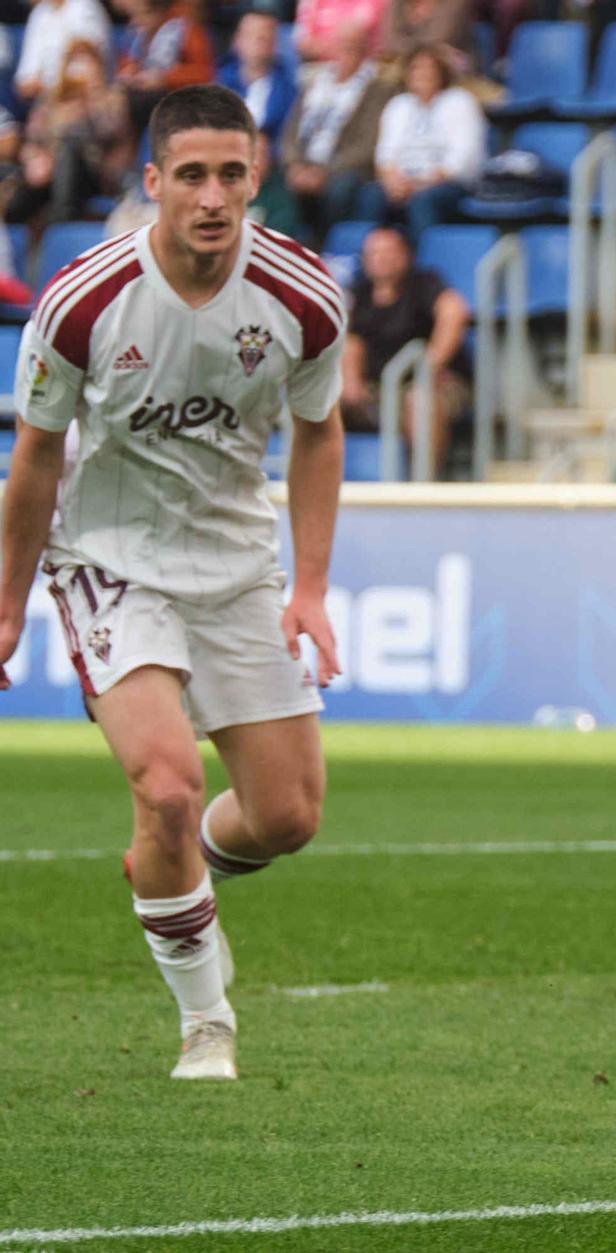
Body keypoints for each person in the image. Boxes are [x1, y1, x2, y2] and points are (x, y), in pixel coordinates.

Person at [0, 85, 348, 1083]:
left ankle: (169, 859)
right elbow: (33, 457)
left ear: (256, 178)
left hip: (238, 566)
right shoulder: (83, 300)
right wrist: (6, 603)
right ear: (151, 182)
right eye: (189, 175)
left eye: (230, 174)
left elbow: (319, 434)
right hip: (109, 558)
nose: (211, 196)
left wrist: (311, 586)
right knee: (166, 782)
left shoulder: (304, 296)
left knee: (285, 817)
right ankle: (208, 1023)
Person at [339, 225, 470, 476]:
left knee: (419, 400)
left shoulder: (424, 282)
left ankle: (422, 487)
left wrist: (431, 365)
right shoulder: (359, 292)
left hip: (433, 383)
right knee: (322, 399)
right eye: (374, 253)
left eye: (389, 251)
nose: (381, 258)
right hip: (375, 388)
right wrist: (351, 382)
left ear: (406, 254)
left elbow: (454, 312)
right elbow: (350, 341)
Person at [281, 21, 394, 242]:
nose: (348, 52)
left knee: (342, 189)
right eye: (343, 45)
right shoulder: (314, 83)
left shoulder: (378, 90)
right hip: (305, 166)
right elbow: (290, 132)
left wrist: (324, 173)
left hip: (344, 170)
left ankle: (326, 250)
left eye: (356, 46)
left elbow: (368, 145)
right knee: (275, 185)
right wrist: (295, 165)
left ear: (366, 50)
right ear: (332, 48)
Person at [358, 44, 484, 241]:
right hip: (403, 183)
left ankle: (425, 264)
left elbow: (462, 161)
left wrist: (419, 184)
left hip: (446, 185)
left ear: (441, 72)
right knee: (371, 195)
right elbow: (385, 156)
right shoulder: (399, 105)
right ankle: (366, 261)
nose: (422, 74)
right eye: (416, 68)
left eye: (428, 68)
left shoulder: (460, 102)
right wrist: (392, 181)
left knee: (422, 202)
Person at [11, 37, 132, 225]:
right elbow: (32, 139)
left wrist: (91, 100)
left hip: (95, 174)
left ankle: (63, 217)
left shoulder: (111, 98)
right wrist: (35, 159)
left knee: (70, 144)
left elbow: (110, 134)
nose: (80, 68)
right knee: (23, 187)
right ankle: (11, 223)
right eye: (74, 61)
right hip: (50, 174)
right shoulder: (50, 101)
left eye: (86, 60)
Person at [112, 0, 216, 134]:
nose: (136, 21)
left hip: (178, 99)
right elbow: (128, 59)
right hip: (144, 99)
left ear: (159, 12)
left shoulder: (185, 29)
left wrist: (165, 79)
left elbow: (205, 73)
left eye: (143, 14)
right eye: (134, 16)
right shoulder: (139, 32)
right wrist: (129, 72)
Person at [218, 11, 299, 144]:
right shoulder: (219, 83)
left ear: (275, 44)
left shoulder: (288, 91)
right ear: (237, 41)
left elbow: (288, 140)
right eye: (251, 35)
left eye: (265, 37)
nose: (257, 42)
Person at [14, 0, 111, 107]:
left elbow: (88, 69)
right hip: (46, 103)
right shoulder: (39, 13)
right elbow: (24, 83)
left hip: (84, 102)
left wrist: (51, 87)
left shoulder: (86, 6)